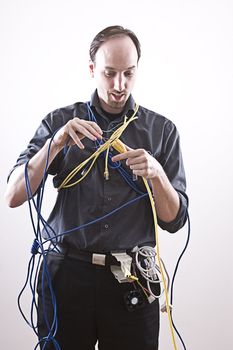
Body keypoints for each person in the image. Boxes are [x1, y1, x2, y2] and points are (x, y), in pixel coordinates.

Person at [5, 25, 188, 350]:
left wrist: (157, 174)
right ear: (92, 69)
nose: (119, 85)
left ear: (137, 70)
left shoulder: (161, 131)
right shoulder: (60, 122)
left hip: (132, 282)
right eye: (109, 73)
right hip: (66, 278)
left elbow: (174, 221)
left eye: (128, 73)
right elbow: (13, 196)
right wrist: (58, 141)